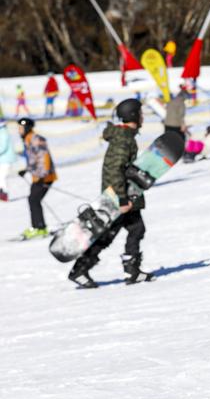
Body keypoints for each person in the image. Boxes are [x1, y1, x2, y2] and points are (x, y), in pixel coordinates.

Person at [68, 99, 154, 288]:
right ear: (133, 115)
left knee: (136, 229)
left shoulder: (126, 136)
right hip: (118, 198)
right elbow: (114, 169)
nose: (142, 117)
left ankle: (132, 270)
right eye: (140, 113)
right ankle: (80, 270)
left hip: (123, 195)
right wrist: (121, 199)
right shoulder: (123, 139)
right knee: (107, 235)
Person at [17, 118, 57, 239]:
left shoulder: (36, 139)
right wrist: (27, 169)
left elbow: (43, 158)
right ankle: (39, 226)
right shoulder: (28, 140)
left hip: (45, 177)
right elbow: (33, 159)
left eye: (20, 128)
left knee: (33, 199)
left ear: (27, 128)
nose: (19, 131)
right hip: (39, 176)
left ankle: (39, 227)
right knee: (33, 199)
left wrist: (42, 175)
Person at [0, 120, 16, 202]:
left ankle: (4, 195)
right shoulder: (2, 132)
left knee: (2, 177)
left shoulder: (3, 133)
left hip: (6, 160)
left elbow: (2, 147)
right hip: (3, 159)